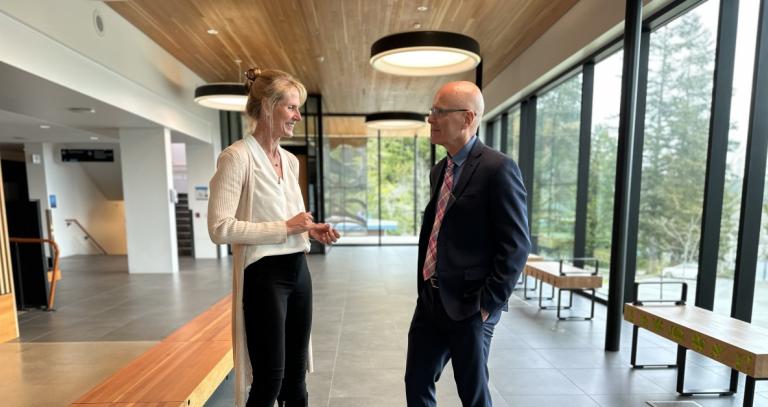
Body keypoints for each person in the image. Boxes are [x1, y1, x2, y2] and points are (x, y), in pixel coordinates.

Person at [208, 68, 339, 407]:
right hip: (264, 276)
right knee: (269, 381)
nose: (297, 116)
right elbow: (220, 227)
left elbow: (287, 214)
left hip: (299, 272)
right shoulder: (236, 157)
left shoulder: (290, 161)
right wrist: (285, 228)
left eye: (298, 108)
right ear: (268, 106)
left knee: (297, 379)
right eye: (292, 107)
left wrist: (310, 227)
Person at [404, 81, 530, 407]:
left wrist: (488, 304)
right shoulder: (439, 170)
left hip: (471, 305)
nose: (431, 119)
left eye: (439, 112)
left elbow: (515, 245)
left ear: (467, 118)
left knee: (473, 394)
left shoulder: (498, 168)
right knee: (416, 383)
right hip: (431, 300)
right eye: (431, 111)